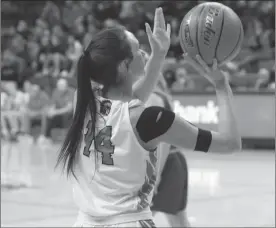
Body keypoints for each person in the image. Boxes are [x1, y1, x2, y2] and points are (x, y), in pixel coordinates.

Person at [56, 8, 241, 228]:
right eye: (137, 49)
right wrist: (221, 86)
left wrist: (158, 55)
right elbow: (230, 143)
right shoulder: (152, 120)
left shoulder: (83, 101)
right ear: (124, 66)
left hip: (85, 222)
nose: (144, 52)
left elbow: (130, 99)